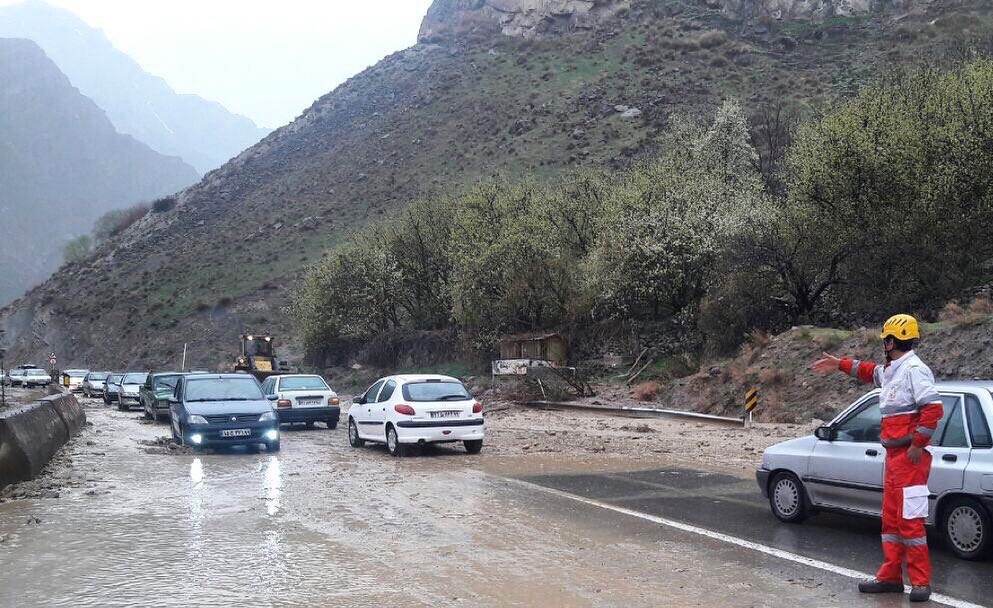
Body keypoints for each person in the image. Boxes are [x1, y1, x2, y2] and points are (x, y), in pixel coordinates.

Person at [812, 314, 943, 603]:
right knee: (892, 523)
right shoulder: (894, 369)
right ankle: (891, 577)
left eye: (885, 339)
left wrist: (917, 446)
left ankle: (921, 583)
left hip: (909, 459)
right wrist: (840, 364)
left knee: (910, 523)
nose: (883, 343)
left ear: (892, 341)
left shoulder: (914, 370)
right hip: (895, 457)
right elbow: (869, 371)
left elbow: (933, 409)